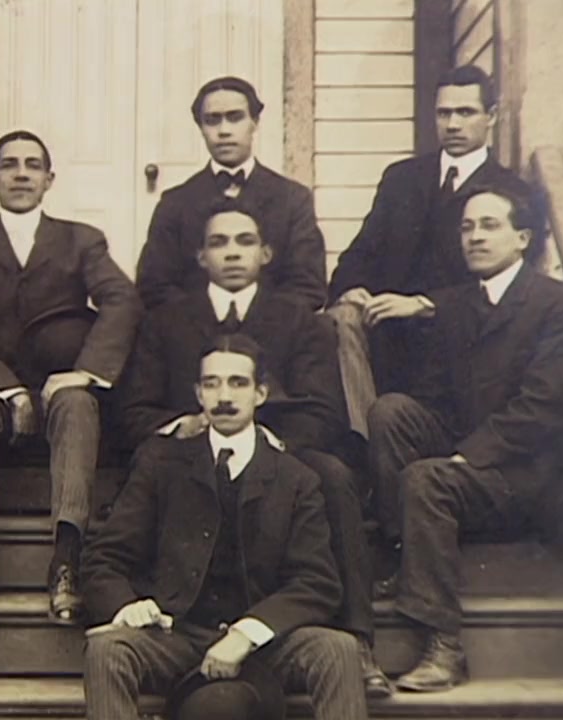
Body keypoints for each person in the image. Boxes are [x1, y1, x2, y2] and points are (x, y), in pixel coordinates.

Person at [118, 200, 388, 696]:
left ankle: (358, 637)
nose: (232, 253)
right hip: (193, 451)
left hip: (283, 449)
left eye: (245, 242)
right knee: (153, 466)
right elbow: (134, 410)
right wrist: (182, 425)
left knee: (333, 475)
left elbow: (324, 410)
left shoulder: (301, 319)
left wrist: (267, 439)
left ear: (266, 254)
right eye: (218, 243)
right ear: (200, 257)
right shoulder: (166, 320)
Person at [366, 185, 563, 692]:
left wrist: (466, 456)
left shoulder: (561, 305)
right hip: (470, 463)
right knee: (391, 412)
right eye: (467, 227)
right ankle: (403, 554)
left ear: (523, 237)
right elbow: (434, 398)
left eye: (490, 225)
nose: (475, 237)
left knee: (426, 479)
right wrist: (451, 451)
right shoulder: (456, 306)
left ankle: (444, 646)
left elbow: (543, 407)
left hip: (526, 476)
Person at [82, 333, 366, 720]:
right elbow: (104, 559)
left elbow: (317, 581)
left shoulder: (295, 477)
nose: (224, 396)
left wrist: (246, 633)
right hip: (178, 636)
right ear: (198, 394)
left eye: (238, 383)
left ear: (260, 394)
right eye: (212, 384)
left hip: (266, 643)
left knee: (338, 649)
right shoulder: (161, 465)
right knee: (106, 650)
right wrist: (128, 607)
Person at [0, 130, 142, 626]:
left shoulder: (80, 240)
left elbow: (122, 299)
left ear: (49, 179)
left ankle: (67, 559)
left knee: (78, 405)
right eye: (9, 165)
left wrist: (85, 373)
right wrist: (8, 388)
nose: (21, 174)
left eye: (33, 165)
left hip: (58, 384)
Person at [326, 65, 537, 437]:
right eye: (444, 113)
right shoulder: (402, 178)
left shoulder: (510, 190)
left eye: (465, 112)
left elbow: (511, 284)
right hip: (389, 333)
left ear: (491, 117)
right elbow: (360, 252)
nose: (452, 124)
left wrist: (425, 304)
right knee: (340, 318)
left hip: (458, 334)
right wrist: (353, 289)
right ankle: (364, 441)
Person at [136, 75, 327, 310]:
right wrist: (207, 323)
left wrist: (256, 323)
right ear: (201, 128)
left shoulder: (292, 199)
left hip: (274, 329)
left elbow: (308, 285)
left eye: (235, 118)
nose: (224, 130)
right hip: (194, 328)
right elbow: (154, 285)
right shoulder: (175, 203)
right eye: (212, 120)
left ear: (254, 122)